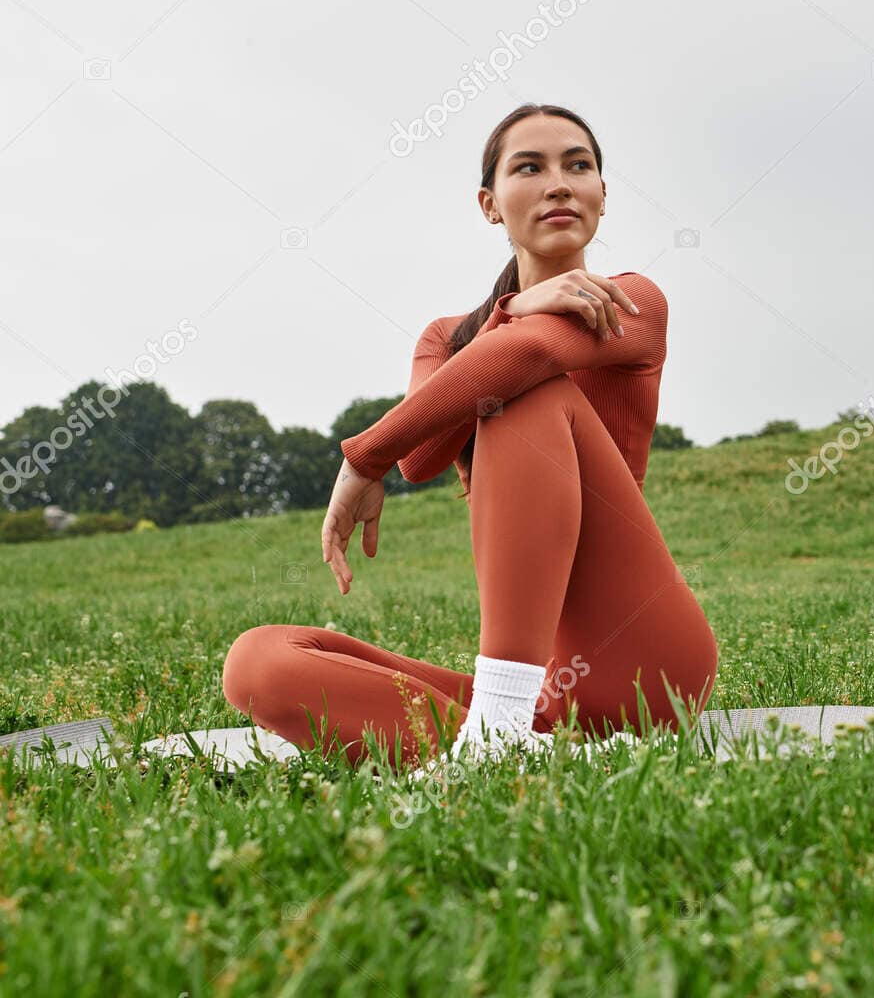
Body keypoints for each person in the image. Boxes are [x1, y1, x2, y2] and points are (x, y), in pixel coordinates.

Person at [221, 103, 719, 771]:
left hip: (639, 656)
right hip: (544, 688)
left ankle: (497, 733)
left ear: (603, 196)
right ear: (490, 203)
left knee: (523, 395)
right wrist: (504, 317)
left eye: (579, 166)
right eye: (530, 167)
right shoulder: (449, 337)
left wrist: (361, 459)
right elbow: (423, 457)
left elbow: (529, 358)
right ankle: (508, 744)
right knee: (259, 662)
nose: (560, 183)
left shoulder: (632, 301)